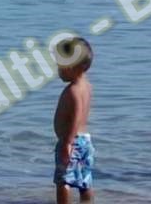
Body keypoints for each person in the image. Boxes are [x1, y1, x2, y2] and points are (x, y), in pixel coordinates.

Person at [53, 37, 94, 204]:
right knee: (85, 180)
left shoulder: (73, 91)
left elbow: (75, 117)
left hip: (72, 142)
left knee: (63, 180)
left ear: (71, 67)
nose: (58, 70)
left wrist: (67, 143)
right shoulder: (87, 86)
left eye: (60, 66)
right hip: (85, 140)